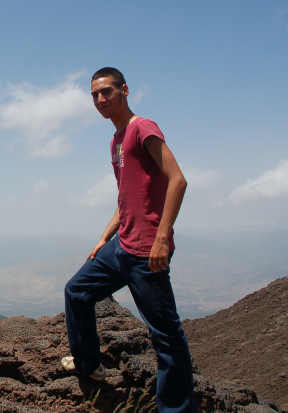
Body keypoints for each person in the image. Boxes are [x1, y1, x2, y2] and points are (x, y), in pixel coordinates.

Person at [62, 68, 196, 413]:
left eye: (106, 92)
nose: (100, 100)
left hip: (146, 252)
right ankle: (89, 364)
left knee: (166, 337)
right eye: (94, 95)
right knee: (76, 291)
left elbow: (177, 180)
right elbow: (128, 198)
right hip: (120, 245)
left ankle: (177, 409)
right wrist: (103, 238)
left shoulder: (142, 128)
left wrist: (162, 238)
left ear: (125, 90)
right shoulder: (116, 140)